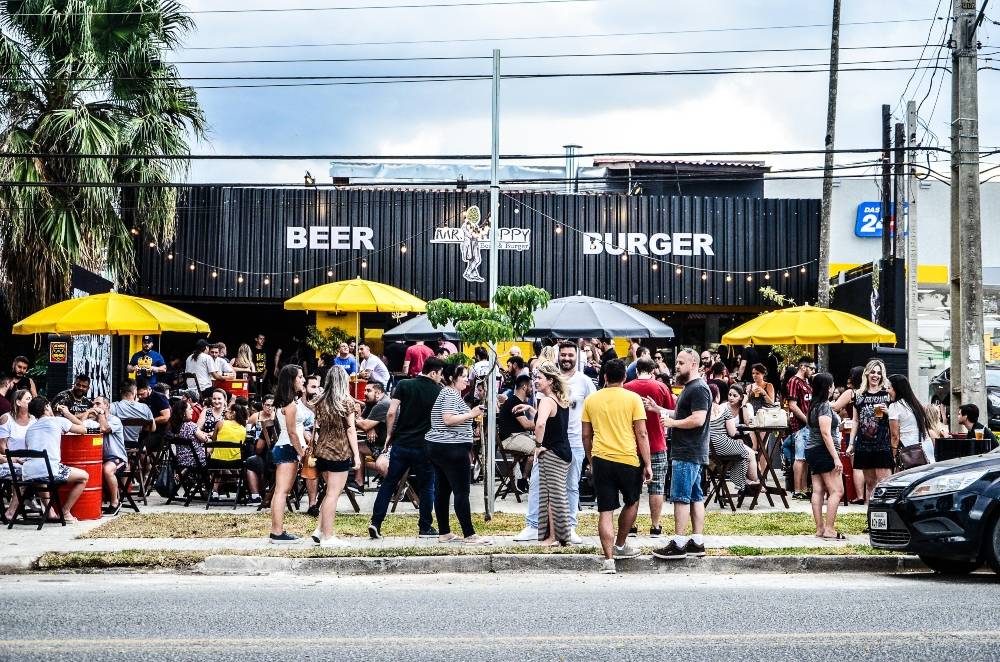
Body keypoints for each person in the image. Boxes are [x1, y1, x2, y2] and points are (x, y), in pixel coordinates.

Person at [514, 342, 596, 545]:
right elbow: (549, 415)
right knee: (540, 486)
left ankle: (568, 527)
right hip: (555, 444)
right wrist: (532, 410)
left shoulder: (584, 382)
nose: (566, 358)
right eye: (563, 354)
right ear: (558, 356)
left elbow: (592, 410)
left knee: (569, 487)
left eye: (570, 355)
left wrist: (538, 444)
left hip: (572, 441)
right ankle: (534, 526)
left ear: (577, 356)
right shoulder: (550, 385)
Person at [582, 359, 650, 574]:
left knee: (605, 510)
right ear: (625, 377)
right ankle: (620, 544)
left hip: (601, 458)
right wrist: (647, 463)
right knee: (632, 502)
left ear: (604, 377)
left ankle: (608, 560)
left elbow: (586, 435)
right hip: (628, 458)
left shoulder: (591, 400)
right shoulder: (633, 399)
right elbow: (642, 433)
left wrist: (591, 459)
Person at [369, 357, 445, 540]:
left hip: (401, 444)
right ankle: (425, 526)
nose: (440, 378)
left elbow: (391, 412)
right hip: (424, 446)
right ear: (433, 372)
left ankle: (376, 523)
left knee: (389, 483)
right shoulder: (439, 391)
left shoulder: (404, 384)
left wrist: (389, 435)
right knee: (427, 486)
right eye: (440, 375)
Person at [654, 348, 712, 561]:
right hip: (691, 451)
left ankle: (678, 544)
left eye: (680, 363)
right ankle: (697, 542)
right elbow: (682, 414)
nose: (676, 366)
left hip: (688, 451)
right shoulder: (691, 387)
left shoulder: (698, 389)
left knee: (681, 497)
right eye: (677, 362)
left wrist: (672, 423)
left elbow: (698, 419)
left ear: (693, 363)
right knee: (695, 496)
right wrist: (658, 409)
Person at [424, 364, 490, 545]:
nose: (467, 379)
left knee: (443, 491)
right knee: (461, 491)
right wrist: (471, 414)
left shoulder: (448, 393)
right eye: (463, 376)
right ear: (452, 378)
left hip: (440, 447)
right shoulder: (450, 394)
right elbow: (448, 419)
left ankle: (444, 532)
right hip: (452, 448)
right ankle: (469, 534)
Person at [309, 366, 361, 547]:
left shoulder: (320, 400)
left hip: (322, 450)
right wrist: (356, 455)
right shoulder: (346, 401)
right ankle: (328, 537)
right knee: (333, 494)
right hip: (339, 451)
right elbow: (351, 430)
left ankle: (320, 529)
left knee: (328, 493)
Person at [624, 357, 675, 537]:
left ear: (636, 370)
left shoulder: (626, 388)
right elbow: (669, 412)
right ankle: (655, 526)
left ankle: (631, 526)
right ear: (653, 371)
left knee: (633, 488)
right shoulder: (661, 387)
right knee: (657, 487)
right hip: (657, 443)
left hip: (632, 445)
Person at [21, 397, 89, 522]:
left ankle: (50, 512)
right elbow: (83, 429)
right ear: (46, 407)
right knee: (84, 477)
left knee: (41, 474)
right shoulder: (58, 421)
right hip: (49, 470)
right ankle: (65, 511)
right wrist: (67, 414)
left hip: (29, 472)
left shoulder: (30, 429)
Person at [530, 361, 573, 546]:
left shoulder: (547, 401)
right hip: (563, 451)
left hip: (552, 453)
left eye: (539, 378)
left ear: (550, 380)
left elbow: (540, 424)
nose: (535, 381)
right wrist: (531, 409)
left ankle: (556, 537)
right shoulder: (560, 399)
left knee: (553, 497)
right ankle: (557, 536)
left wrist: (538, 445)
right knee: (554, 495)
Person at [268, 365, 309, 543]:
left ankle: (277, 530)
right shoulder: (290, 405)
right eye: (300, 377)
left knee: (281, 491)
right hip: (288, 447)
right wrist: (301, 453)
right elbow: (292, 432)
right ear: (291, 380)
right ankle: (277, 532)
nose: (303, 380)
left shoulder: (290, 402)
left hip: (286, 447)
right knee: (282, 492)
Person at [846, 359, 893, 503]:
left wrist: (888, 412)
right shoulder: (859, 395)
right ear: (866, 373)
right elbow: (855, 420)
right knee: (870, 484)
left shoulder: (887, 394)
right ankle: (870, 512)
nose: (875, 375)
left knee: (884, 484)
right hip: (864, 444)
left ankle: (885, 512)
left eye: (879, 373)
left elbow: (897, 418)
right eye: (873, 372)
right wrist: (851, 444)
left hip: (882, 444)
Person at [805, 372, 845, 538]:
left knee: (818, 490)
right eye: (832, 384)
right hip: (823, 451)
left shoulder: (813, 405)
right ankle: (829, 529)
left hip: (812, 450)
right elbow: (825, 433)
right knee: (837, 491)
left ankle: (820, 529)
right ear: (828, 387)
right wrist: (836, 458)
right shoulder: (823, 407)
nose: (833, 387)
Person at [707, 383, 759, 496]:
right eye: (729, 394)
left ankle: (746, 482)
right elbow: (732, 432)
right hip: (723, 444)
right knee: (749, 453)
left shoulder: (703, 410)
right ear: (717, 396)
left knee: (743, 454)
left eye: (734, 395)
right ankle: (753, 483)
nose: (730, 397)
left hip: (709, 449)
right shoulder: (724, 410)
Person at [832, 366, 866, 504]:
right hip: (869, 429)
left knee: (856, 465)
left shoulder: (851, 392)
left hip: (853, 429)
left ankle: (860, 495)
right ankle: (868, 494)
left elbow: (835, 407)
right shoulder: (868, 392)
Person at [784, 356, 815, 500]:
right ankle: (797, 490)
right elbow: (792, 405)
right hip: (800, 425)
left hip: (808, 425)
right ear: (803, 367)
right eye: (811, 368)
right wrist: (807, 420)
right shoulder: (794, 381)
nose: (813, 371)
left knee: (805, 459)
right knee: (800, 457)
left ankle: (804, 489)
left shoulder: (806, 382)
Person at [0, 389, 35, 520]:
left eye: (31, 398)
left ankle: (47, 509)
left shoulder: (34, 419)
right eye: (28, 399)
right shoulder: (6, 418)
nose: (31, 401)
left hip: (29, 460)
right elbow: (2, 446)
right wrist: (14, 459)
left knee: (39, 470)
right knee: (24, 473)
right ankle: (11, 511)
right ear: (18, 402)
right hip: (9, 460)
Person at [89, 396, 126, 516]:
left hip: (116, 458)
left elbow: (104, 428)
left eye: (98, 404)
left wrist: (100, 414)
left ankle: (115, 502)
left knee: (107, 470)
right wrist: (87, 413)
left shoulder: (114, 420)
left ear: (107, 405)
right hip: (98, 458)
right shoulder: (93, 420)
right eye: (93, 404)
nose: (95, 406)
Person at [887, 374, 935, 465]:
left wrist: (893, 455)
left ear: (896, 389)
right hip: (926, 446)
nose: (887, 390)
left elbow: (895, 436)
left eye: (889, 388)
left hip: (909, 450)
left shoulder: (894, 406)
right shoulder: (916, 404)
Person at [355, 381, 390, 481]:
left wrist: (348, 417)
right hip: (378, 444)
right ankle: (359, 482)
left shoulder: (383, 404)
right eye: (365, 390)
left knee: (379, 464)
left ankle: (395, 484)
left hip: (389, 446)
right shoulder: (372, 403)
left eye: (368, 390)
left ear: (378, 393)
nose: (365, 393)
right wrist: (370, 427)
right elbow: (362, 421)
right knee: (356, 447)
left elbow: (363, 425)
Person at [110, 379, 154, 453]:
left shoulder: (114, 406)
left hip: (117, 446)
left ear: (120, 391)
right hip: (137, 446)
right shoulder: (144, 408)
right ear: (135, 392)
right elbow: (152, 428)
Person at [166, 400, 208, 469]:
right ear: (183, 413)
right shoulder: (191, 426)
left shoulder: (172, 427)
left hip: (180, 462)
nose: (192, 411)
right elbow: (204, 439)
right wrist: (207, 437)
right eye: (190, 409)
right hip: (196, 462)